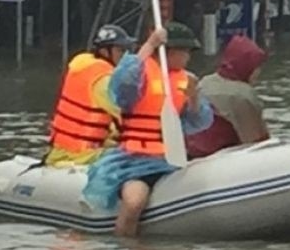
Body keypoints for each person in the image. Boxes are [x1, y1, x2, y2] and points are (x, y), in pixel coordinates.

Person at [82, 22, 213, 237]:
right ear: (168, 52)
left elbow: (199, 122)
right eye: (184, 51)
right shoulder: (139, 75)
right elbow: (121, 87)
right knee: (135, 203)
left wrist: (194, 98)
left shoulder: (187, 80)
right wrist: (150, 45)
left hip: (171, 161)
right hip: (134, 162)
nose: (188, 57)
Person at [44, 24, 136, 168]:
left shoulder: (83, 66)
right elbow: (128, 114)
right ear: (105, 52)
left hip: (63, 150)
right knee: (139, 157)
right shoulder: (104, 79)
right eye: (120, 50)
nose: (125, 56)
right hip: (82, 155)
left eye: (126, 50)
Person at [185, 34, 270, 160]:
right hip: (220, 156)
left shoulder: (206, 81)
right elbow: (257, 142)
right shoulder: (243, 95)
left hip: (191, 153)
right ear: (247, 66)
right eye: (256, 67)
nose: (258, 72)